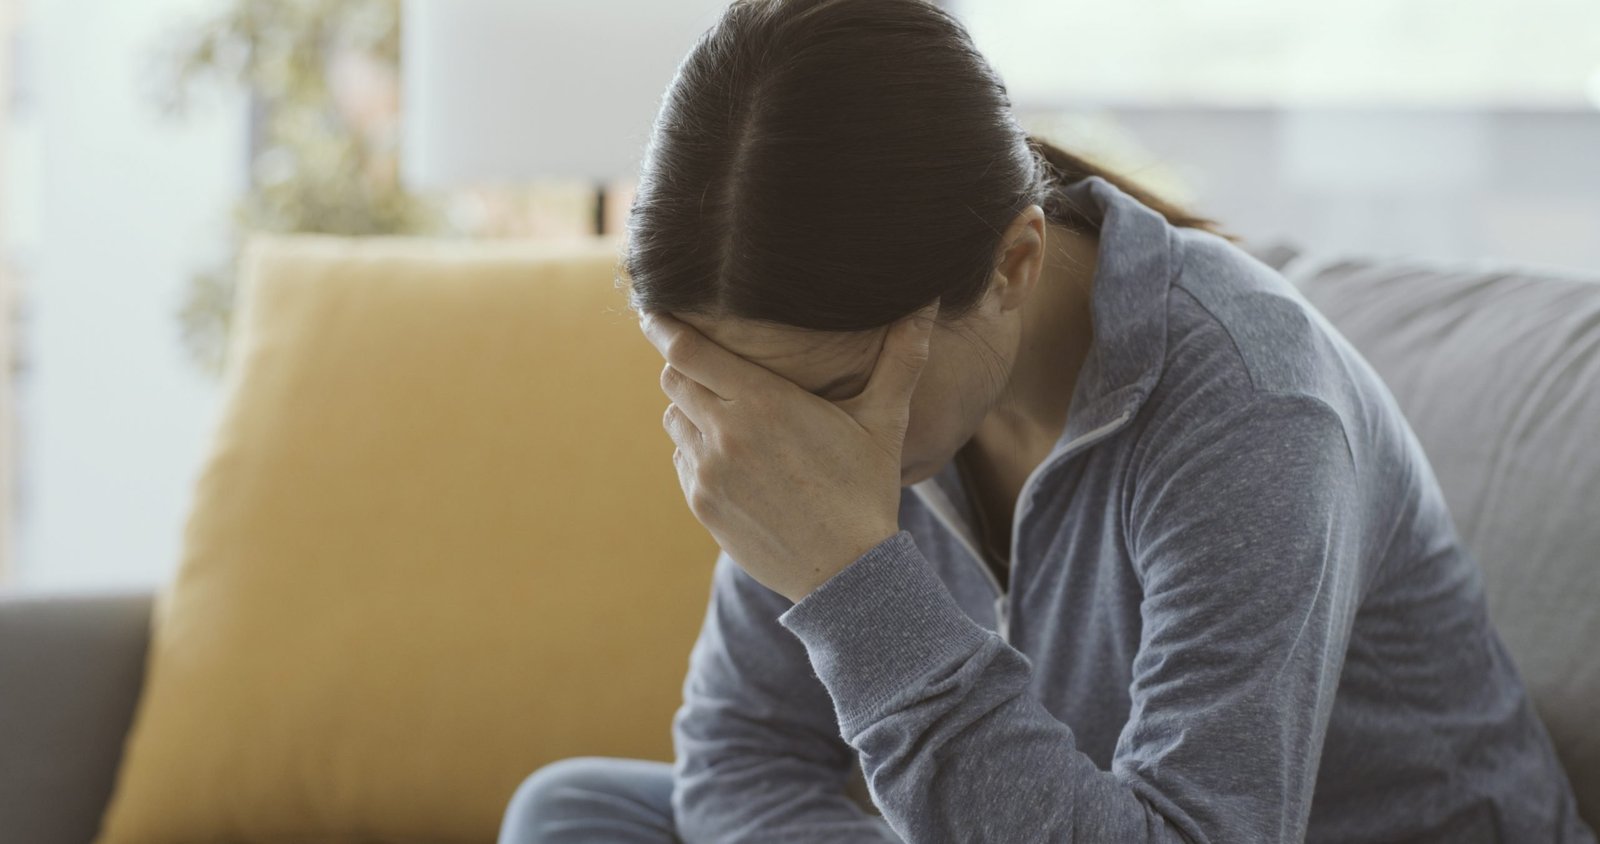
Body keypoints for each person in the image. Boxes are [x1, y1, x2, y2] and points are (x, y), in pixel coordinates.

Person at [498, 0, 1597, 841]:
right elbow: (740, 759)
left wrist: (855, 584)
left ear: (1014, 263)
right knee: (576, 811)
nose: (777, 454)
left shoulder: (1254, 406)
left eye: (830, 397)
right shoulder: (828, 383)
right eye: (739, 399)